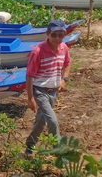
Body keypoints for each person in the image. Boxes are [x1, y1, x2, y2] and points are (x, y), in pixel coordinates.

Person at [25, 19, 71, 157]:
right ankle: (59, 152)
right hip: (40, 91)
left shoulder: (64, 48)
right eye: (54, 35)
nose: (57, 39)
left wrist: (64, 79)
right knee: (52, 121)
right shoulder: (38, 52)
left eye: (61, 35)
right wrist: (30, 98)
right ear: (48, 34)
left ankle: (30, 146)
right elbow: (29, 76)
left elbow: (68, 63)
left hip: (54, 91)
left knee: (41, 121)